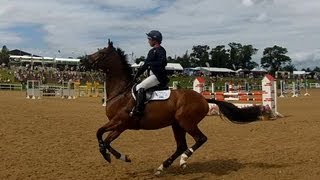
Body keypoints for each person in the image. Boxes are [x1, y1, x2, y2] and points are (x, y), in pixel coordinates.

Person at [131, 30, 169, 116]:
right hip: (152, 76)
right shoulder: (151, 51)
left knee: (140, 87)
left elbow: (163, 62)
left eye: (149, 39)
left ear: (154, 40)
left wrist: (150, 64)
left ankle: (139, 110)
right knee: (138, 85)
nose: (148, 41)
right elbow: (144, 65)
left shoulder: (160, 50)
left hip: (158, 76)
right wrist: (136, 75)